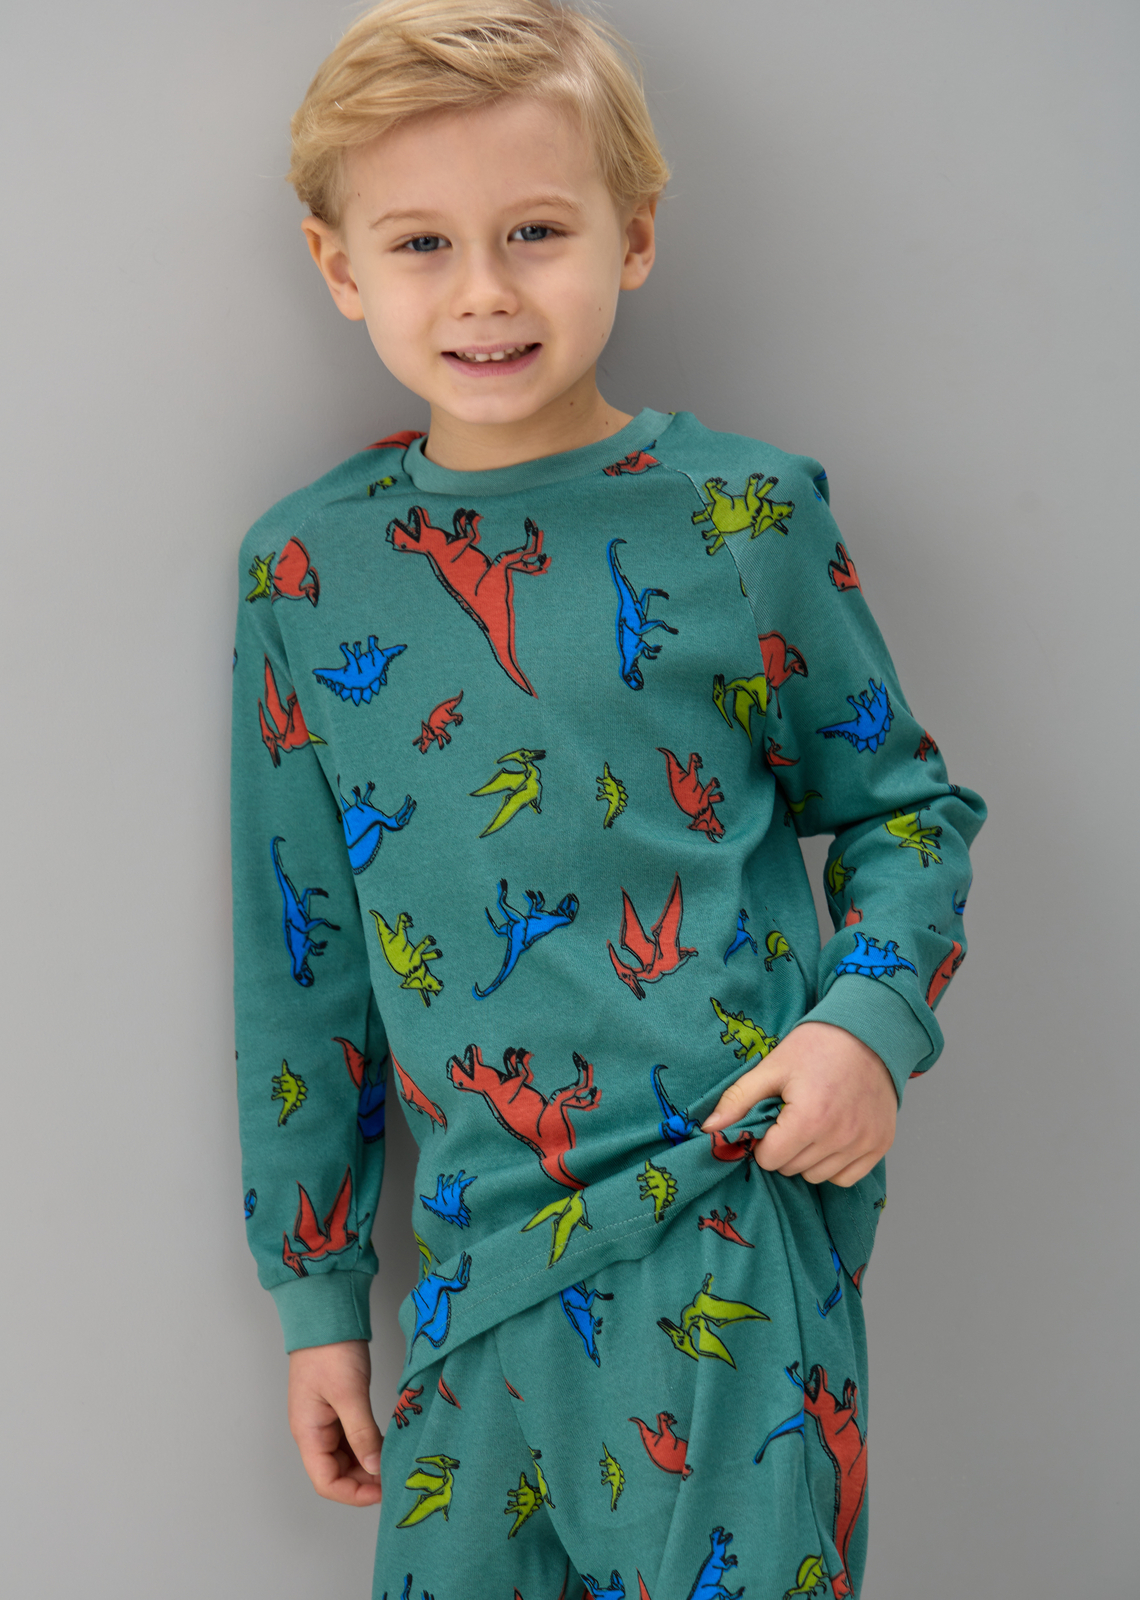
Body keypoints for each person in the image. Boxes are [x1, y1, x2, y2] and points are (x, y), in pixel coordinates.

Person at [230, 3, 985, 1593]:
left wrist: (866, 1028)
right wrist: (317, 1300)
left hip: (724, 1228)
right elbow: (301, 962)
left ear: (633, 237)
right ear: (338, 266)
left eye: (535, 231)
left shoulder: (742, 517)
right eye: (423, 243)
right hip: (465, 1292)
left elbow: (908, 812)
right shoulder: (305, 570)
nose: (486, 291)